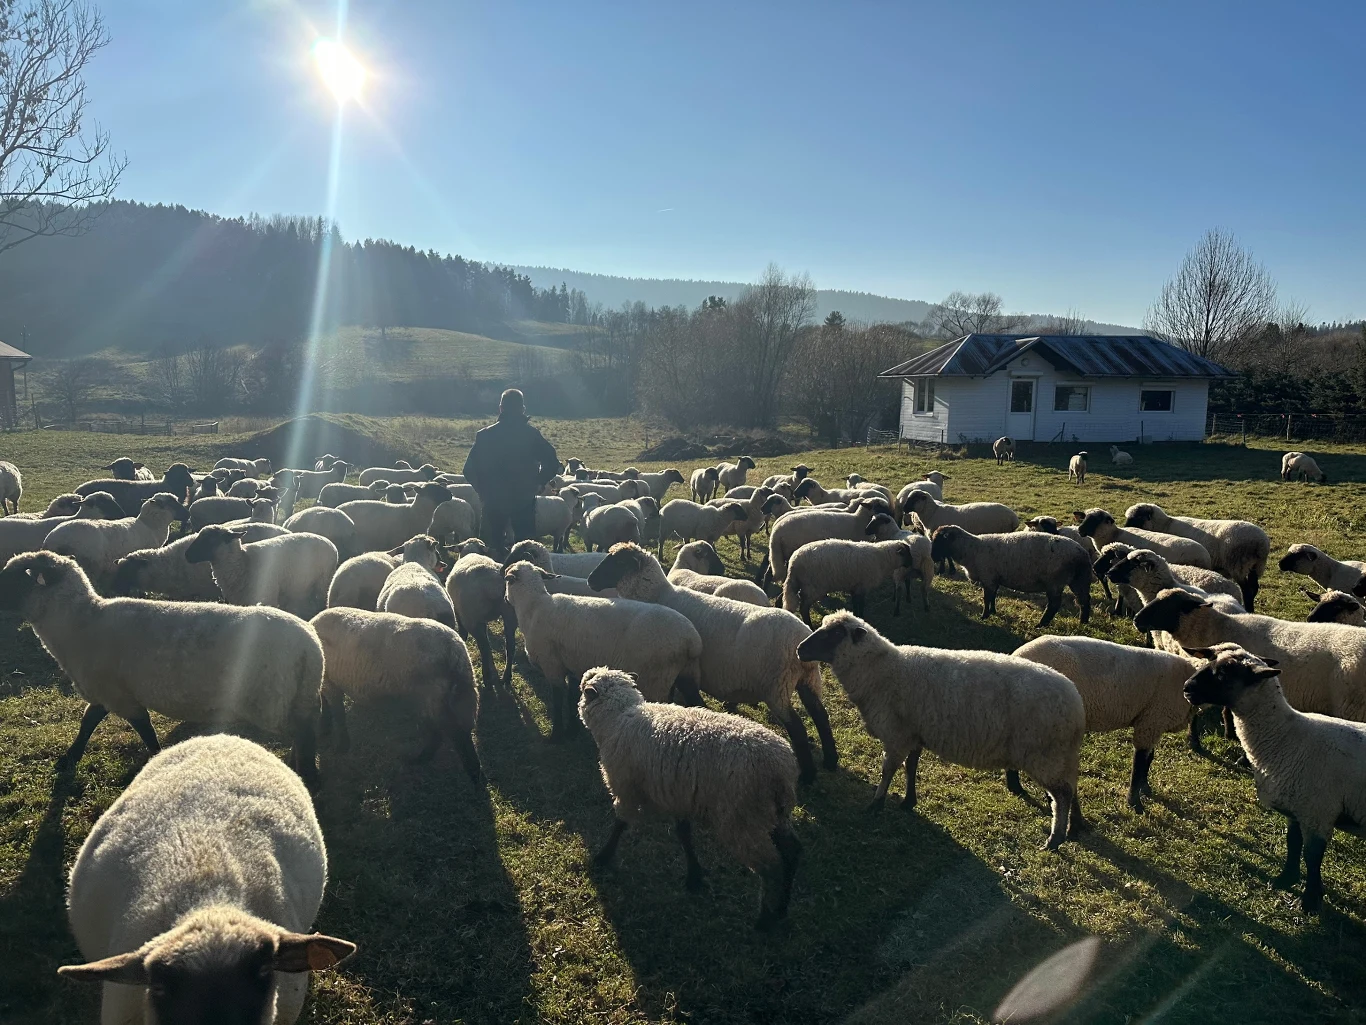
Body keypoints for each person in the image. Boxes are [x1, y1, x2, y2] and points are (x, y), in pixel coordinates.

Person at [462, 389, 560, 556]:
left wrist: (483, 492)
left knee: (489, 550)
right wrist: (539, 482)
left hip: (493, 500)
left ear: (501, 408)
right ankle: (525, 579)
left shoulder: (485, 435)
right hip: (523, 499)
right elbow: (552, 462)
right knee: (525, 550)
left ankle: (488, 579)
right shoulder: (531, 434)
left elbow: (469, 469)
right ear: (523, 409)